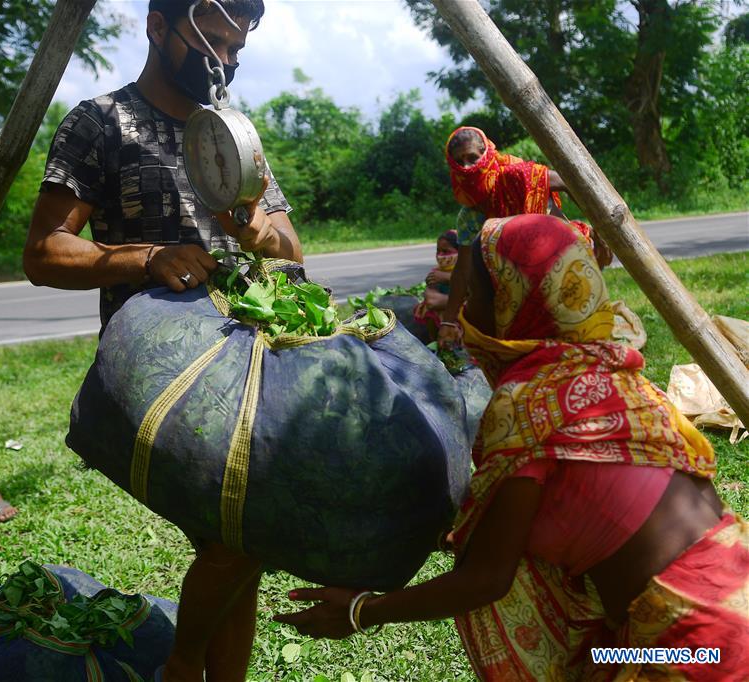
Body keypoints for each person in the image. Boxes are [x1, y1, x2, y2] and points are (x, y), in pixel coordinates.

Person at [275, 214, 749, 680]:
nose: (462, 312)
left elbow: (487, 577)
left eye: (478, 295)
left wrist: (362, 611)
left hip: (688, 646)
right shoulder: (615, 375)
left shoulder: (529, 403)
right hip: (729, 594)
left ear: (517, 300)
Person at [23, 1, 301, 679]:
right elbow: (44, 252)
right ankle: (183, 665)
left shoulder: (235, 134)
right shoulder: (101, 123)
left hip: (243, 368)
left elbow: (293, 255)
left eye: (236, 49)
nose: (224, 62)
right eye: (212, 43)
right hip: (159, 377)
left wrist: (262, 235)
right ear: (157, 26)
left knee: (240, 539)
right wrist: (142, 257)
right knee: (237, 535)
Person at [438, 126, 611, 347]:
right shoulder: (470, 213)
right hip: (524, 281)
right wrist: (449, 322)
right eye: (459, 162)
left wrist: (601, 229)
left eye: (473, 158)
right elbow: (463, 270)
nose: (467, 167)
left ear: (487, 154)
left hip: (566, 259)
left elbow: (569, 182)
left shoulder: (516, 176)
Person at [413, 230, 458, 341]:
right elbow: (431, 301)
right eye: (438, 251)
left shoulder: (469, 270)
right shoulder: (436, 273)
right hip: (447, 307)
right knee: (428, 311)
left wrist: (447, 278)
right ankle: (436, 344)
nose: (441, 256)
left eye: (446, 251)